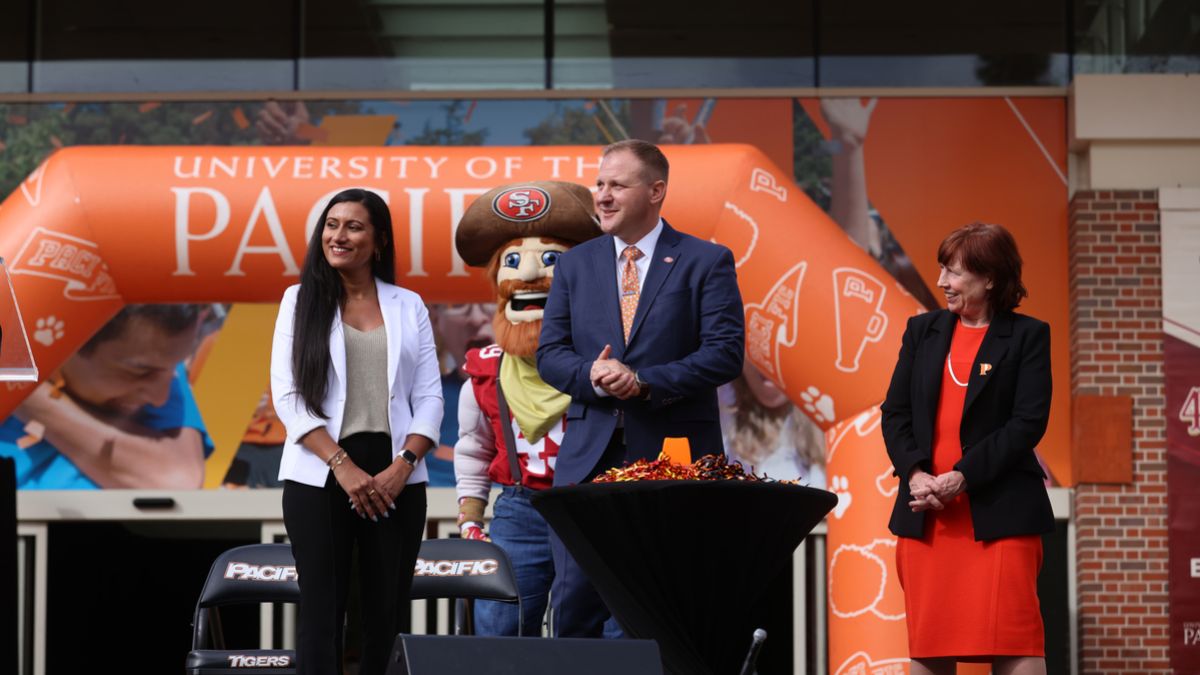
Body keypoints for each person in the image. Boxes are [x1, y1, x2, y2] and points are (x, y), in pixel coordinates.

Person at [536, 139, 746, 637]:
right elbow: (550, 354)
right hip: (589, 460)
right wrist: (591, 374)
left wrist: (645, 382)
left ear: (656, 191)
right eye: (600, 184)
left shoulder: (705, 260)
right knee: (574, 609)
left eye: (617, 185)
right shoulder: (574, 264)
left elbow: (724, 354)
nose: (603, 196)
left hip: (673, 460)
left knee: (663, 608)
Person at [270, 188, 441, 675]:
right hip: (319, 472)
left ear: (379, 241)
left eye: (353, 226)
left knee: (385, 614)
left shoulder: (408, 304)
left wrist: (402, 467)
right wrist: (342, 467)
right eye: (331, 224)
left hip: (397, 475)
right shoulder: (299, 300)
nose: (338, 235)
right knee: (323, 615)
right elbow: (289, 397)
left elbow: (429, 397)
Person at [880, 222, 1053, 675]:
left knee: (1015, 640)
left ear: (990, 278)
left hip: (999, 515)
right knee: (930, 642)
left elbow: (1027, 423)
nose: (942, 283)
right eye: (942, 270)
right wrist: (917, 475)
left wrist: (961, 478)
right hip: (929, 516)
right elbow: (894, 414)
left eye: (953, 273)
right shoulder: (922, 332)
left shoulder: (1028, 336)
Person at [453, 180, 603, 637]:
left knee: (586, 633)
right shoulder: (486, 372)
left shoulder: (601, 364)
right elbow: (473, 449)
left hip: (589, 510)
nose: (527, 275)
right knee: (500, 625)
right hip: (519, 512)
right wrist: (470, 517)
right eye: (512, 262)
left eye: (551, 260)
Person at [3, 304, 212, 488]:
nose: (161, 399)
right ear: (63, 346)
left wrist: (23, 391)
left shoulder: (159, 356)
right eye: (139, 372)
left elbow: (177, 480)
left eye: (173, 369)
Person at [427, 301, 496, 485]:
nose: (476, 318)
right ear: (435, 319)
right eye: (458, 305)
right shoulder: (423, 402)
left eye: (489, 303)